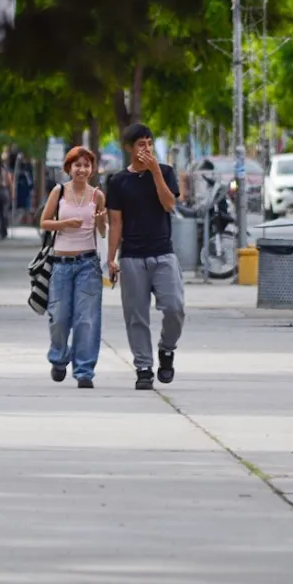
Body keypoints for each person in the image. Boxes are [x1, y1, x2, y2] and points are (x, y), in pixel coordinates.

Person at [106, 123, 185, 391]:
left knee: (174, 307)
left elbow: (169, 204)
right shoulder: (118, 181)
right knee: (136, 315)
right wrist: (111, 258)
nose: (147, 149)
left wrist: (154, 173)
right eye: (141, 144)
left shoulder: (165, 172)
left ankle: (167, 349)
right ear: (129, 148)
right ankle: (143, 367)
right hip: (132, 257)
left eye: (150, 143)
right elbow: (115, 222)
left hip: (163, 252)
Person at [40, 147, 107, 389]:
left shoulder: (97, 195)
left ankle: (84, 370)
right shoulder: (58, 192)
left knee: (87, 319)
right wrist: (65, 223)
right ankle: (59, 358)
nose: (82, 169)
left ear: (92, 169)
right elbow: (44, 222)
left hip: (88, 264)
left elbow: (102, 231)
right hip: (60, 264)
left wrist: (101, 220)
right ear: (68, 168)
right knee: (58, 317)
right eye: (77, 165)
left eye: (86, 165)